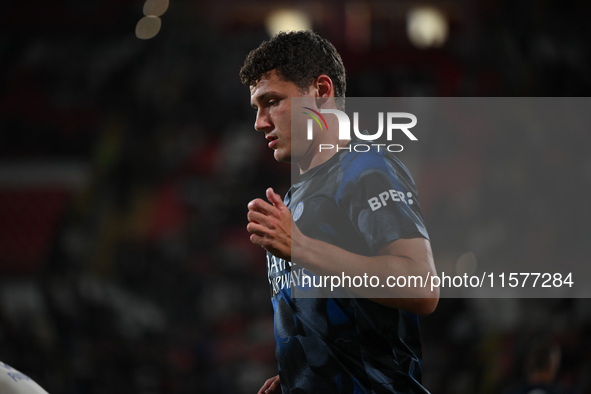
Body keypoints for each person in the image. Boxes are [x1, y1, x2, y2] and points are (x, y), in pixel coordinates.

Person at [241, 31, 439, 394]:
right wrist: (299, 374)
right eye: (256, 107)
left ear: (320, 90)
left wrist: (301, 248)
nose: (260, 122)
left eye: (272, 101)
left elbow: (420, 285)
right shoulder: (300, 193)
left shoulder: (366, 169)